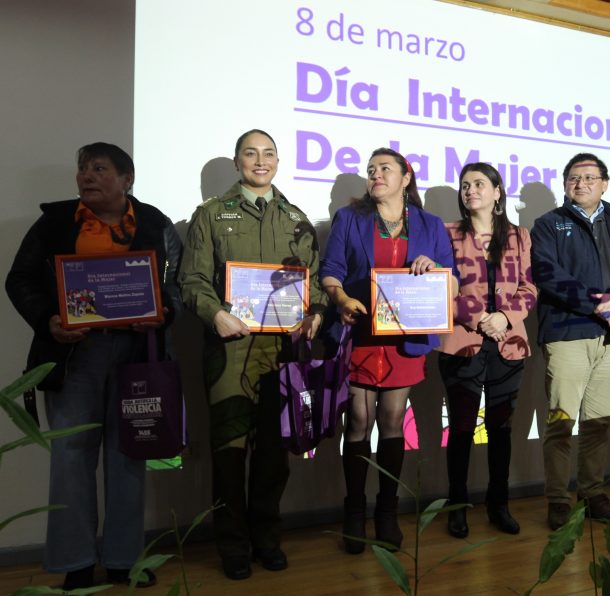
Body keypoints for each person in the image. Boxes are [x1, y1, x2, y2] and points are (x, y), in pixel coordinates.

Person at [5, 142, 181, 590]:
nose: (86, 176)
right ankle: (76, 563)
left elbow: (175, 284)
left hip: (136, 357)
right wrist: (48, 320)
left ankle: (124, 561)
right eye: (82, 168)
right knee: (70, 458)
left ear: (127, 179)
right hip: (74, 355)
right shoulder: (56, 223)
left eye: (99, 168)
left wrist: (166, 313)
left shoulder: (156, 224)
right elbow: (19, 278)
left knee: (128, 456)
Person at [179, 130, 326, 580]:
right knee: (229, 453)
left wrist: (315, 314)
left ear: (278, 161)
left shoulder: (297, 217)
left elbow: (313, 283)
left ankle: (266, 536)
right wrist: (216, 315)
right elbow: (192, 281)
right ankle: (233, 544)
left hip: (283, 353)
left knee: (274, 453)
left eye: (268, 154)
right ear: (238, 161)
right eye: (250, 154)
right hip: (231, 350)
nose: (260, 162)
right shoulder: (210, 215)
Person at [320, 147, 455, 554]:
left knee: (393, 419)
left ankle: (387, 512)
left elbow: (451, 285)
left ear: (406, 178)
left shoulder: (431, 225)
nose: (376, 174)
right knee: (359, 421)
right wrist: (341, 300)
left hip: (404, 339)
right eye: (371, 170)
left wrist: (434, 270)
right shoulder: (349, 218)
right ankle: (354, 511)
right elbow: (331, 272)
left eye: (385, 169)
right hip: (361, 333)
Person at [531, 153, 610, 530]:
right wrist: (596, 304)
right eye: (574, 178)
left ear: (605, 184)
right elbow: (548, 274)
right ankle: (558, 498)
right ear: (565, 184)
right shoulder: (549, 224)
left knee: (599, 423)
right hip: (567, 333)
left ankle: (593, 492)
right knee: (562, 422)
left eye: (589, 177)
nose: (581, 183)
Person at [436, 163, 537, 538]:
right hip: (462, 343)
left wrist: (505, 318)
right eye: (465, 185)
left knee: (501, 428)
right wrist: (480, 318)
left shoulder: (519, 235)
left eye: (479, 183)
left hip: (509, 345)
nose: (470, 190)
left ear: (497, 192)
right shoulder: (446, 235)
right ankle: (458, 506)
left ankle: (499, 505)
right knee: (461, 429)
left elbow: (529, 288)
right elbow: (440, 287)